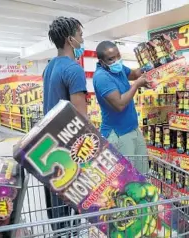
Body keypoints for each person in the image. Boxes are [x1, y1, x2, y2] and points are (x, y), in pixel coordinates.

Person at [42, 16, 86, 235]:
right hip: (68, 149)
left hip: (47, 147)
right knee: (72, 208)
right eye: (80, 36)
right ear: (70, 39)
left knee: (56, 207)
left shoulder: (49, 67)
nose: (82, 40)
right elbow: (81, 118)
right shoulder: (73, 69)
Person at [93, 41, 149, 173]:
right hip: (119, 134)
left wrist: (150, 66)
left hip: (133, 129)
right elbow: (119, 104)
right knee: (127, 178)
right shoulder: (102, 77)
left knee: (143, 173)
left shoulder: (118, 68)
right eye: (111, 59)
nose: (117, 60)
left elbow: (134, 74)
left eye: (118, 56)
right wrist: (136, 85)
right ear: (102, 62)